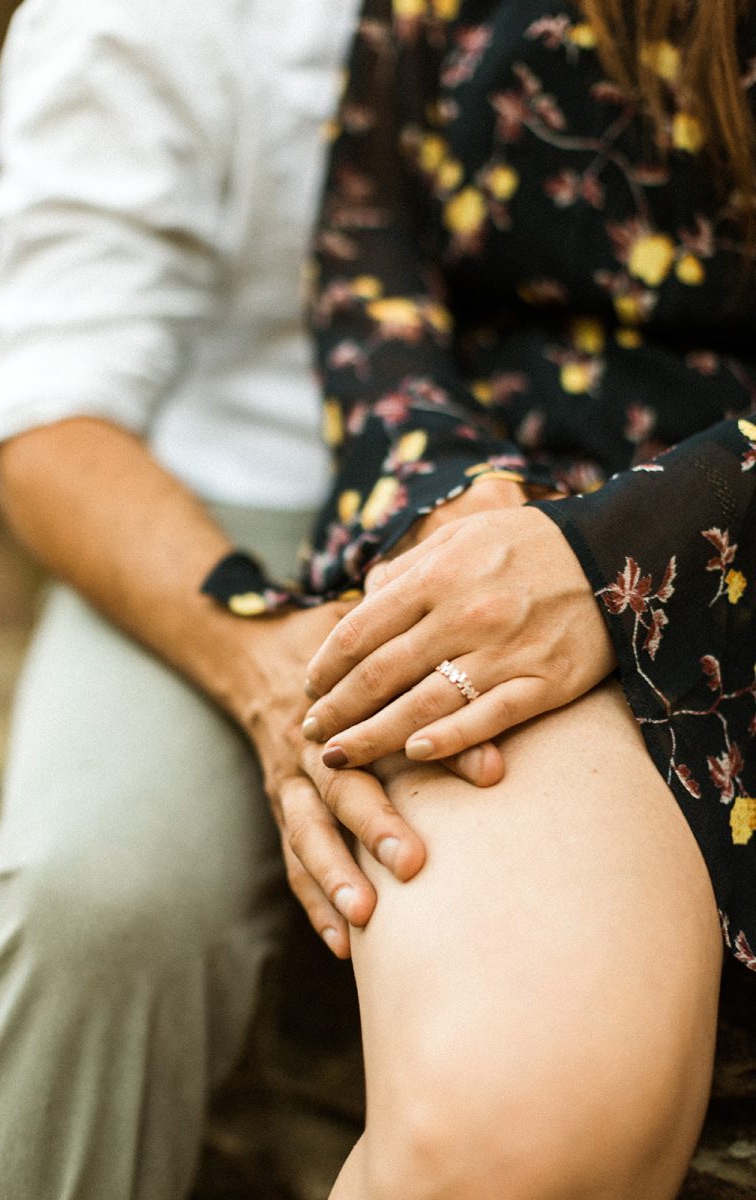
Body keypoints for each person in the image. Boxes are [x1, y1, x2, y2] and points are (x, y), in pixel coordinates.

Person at [200, 1, 756, 1196]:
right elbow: (367, 269)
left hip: (711, 537)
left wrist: (623, 547)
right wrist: (459, 517)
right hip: (501, 513)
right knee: (499, 1134)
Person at [0, 0, 430, 1195]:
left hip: (584, 474)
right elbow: (53, 422)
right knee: (100, 901)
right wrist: (275, 670)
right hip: (236, 505)